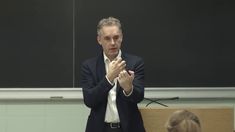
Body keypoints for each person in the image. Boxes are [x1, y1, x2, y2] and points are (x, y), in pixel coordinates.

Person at [80, 17, 145, 132]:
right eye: (107, 38)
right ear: (99, 40)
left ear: (122, 37)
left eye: (116, 37)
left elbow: (139, 97)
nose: (113, 43)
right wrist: (109, 78)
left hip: (130, 128)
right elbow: (89, 100)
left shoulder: (135, 63)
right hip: (100, 128)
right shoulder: (89, 66)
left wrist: (128, 89)